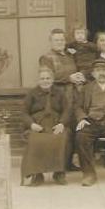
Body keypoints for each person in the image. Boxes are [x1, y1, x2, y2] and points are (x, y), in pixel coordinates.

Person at [39, 28, 86, 170]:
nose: (59, 42)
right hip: (57, 98)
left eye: (61, 40)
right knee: (60, 130)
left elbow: (77, 69)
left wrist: (79, 76)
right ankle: (57, 165)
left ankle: (68, 163)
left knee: (72, 129)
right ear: (51, 41)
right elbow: (47, 76)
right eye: (56, 40)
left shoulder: (69, 56)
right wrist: (69, 78)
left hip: (73, 96)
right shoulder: (46, 57)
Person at [20, 68, 72, 186]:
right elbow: (24, 113)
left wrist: (62, 124)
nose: (45, 81)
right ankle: (37, 174)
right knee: (35, 140)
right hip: (38, 125)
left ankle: (59, 173)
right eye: (42, 78)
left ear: (52, 80)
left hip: (55, 124)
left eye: (48, 78)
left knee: (63, 138)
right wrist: (32, 124)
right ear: (38, 80)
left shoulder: (60, 93)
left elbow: (67, 110)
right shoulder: (31, 94)